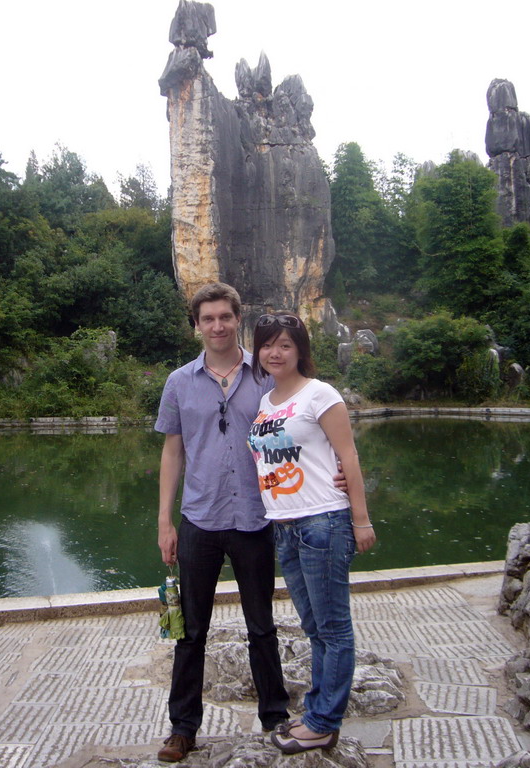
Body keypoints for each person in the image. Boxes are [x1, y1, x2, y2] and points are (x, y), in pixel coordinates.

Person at [154, 282, 291, 762]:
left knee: (262, 625)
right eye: (207, 318)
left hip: (256, 518)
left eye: (225, 317)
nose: (217, 325)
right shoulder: (179, 382)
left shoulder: (267, 376)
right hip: (199, 519)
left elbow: (296, 435)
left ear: (239, 320)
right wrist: (164, 523)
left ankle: (276, 717)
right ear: (196, 326)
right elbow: (173, 451)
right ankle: (183, 727)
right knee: (191, 630)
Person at [246, 312, 376, 755]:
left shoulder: (320, 394)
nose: (274, 353)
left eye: (284, 344)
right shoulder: (265, 404)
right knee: (315, 628)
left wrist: (361, 519)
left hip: (324, 521)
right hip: (284, 526)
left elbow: (349, 456)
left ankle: (323, 722)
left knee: (334, 628)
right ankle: (320, 709)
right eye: (267, 345)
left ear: (300, 349)